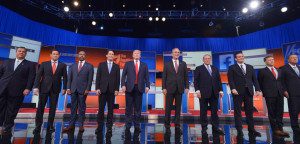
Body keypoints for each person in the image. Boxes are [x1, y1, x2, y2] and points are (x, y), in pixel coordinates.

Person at [0, 47, 36, 135]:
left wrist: (28, 88)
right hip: (3, 89)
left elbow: (31, 78)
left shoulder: (30, 64)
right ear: (16, 52)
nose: (21, 53)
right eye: (19, 51)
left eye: (23, 52)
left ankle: (7, 127)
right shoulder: (7, 62)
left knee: (12, 109)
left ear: (26, 54)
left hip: (18, 90)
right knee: (1, 108)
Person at [33, 49, 67, 134]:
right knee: (40, 108)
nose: (55, 55)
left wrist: (65, 88)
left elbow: (65, 77)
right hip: (44, 88)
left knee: (53, 108)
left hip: (55, 89)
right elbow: (38, 76)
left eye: (57, 54)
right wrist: (36, 87)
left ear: (59, 55)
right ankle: (38, 126)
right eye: (54, 54)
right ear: (50, 55)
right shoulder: (44, 64)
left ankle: (50, 125)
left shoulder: (63, 65)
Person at [227, 52, 262, 137]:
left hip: (249, 92)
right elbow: (230, 79)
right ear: (236, 59)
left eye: (242, 56)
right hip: (237, 92)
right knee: (238, 111)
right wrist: (233, 88)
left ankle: (252, 129)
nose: (241, 58)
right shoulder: (232, 67)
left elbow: (254, 79)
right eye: (239, 57)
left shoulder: (250, 67)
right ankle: (239, 130)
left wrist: (257, 89)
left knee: (249, 111)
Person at [257, 55, 289, 137]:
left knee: (280, 111)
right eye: (269, 60)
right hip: (269, 94)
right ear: (265, 61)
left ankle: (280, 128)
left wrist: (284, 91)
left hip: (279, 93)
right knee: (272, 113)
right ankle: (275, 129)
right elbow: (260, 83)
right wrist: (264, 92)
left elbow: (282, 82)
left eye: (272, 59)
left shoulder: (279, 70)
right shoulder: (262, 71)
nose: (272, 61)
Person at [62, 51, 94, 133]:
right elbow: (69, 78)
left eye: (83, 54)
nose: (81, 55)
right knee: (73, 108)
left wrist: (88, 89)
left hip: (83, 90)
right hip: (73, 89)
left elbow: (90, 79)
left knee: (82, 108)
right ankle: (71, 125)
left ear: (85, 56)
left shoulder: (89, 66)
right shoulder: (72, 66)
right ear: (78, 56)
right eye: (80, 54)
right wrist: (68, 88)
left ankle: (81, 125)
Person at [193, 54, 225, 137]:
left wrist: (221, 90)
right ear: (203, 60)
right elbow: (196, 81)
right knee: (203, 111)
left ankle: (216, 127)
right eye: (206, 58)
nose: (207, 60)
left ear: (210, 59)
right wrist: (197, 91)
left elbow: (218, 80)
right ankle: (204, 128)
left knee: (214, 112)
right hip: (203, 94)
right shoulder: (198, 68)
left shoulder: (215, 68)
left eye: (209, 58)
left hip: (214, 93)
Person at [121, 50, 150, 135]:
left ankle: (137, 125)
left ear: (140, 55)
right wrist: (123, 85)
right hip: (129, 88)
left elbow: (147, 77)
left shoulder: (144, 65)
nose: (136, 54)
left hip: (139, 88)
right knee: (128, 108)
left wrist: (148, 86)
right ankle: (128, 125)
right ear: (133, 55)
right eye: (135, 53)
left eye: (138, 53)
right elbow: (123, 75)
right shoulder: (128, 64)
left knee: (138, 108)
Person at [162, 48, 189, 134]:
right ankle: (167, 125)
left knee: (178, 108)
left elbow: (186, 77)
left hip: (180, 88)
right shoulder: (167, 64)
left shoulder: (183, 63)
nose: (177, 53)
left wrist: (187, 87)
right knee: (168, 107)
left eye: (178, 52)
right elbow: (164, 77)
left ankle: (177, 125)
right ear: (172, 54)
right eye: (175, 52)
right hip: (169, 88)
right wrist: (163, 88)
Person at [95, 50, 120, 134]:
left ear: (114, 56)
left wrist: (117, 89)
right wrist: (97, 88)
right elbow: (98, 77)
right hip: (102, 90)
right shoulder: (101, 65)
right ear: (106, 55)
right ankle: (99, 126)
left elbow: (117, 79)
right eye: (110, 54)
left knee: (110, 109)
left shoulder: (116, 66)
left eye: (112, 54)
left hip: (112, 91)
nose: (111, 55)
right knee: (101, 109)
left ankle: (109, 127)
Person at [280, 54, 300, 140]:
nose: (295, 58)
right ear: (288, 59)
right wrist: (284, 91)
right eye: (293, 57)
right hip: (292, 93)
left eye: (296, 57)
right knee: (294, 111)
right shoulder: (283, 68)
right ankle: (295, 128)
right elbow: (281, 81)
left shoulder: (299, 67)